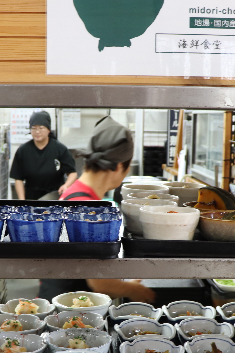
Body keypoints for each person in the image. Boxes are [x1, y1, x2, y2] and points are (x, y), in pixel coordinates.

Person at [38, 116, 156, 304]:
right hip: (68, 313)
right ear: (119, 167)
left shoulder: (75, 192)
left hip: (63, 302)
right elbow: (100, 284)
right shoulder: (88, 209)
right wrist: (137, 290)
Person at [9, 111, 77, 200]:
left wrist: (66, 186)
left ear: (48, 129)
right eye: (34, 128)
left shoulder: (60, 149)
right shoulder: (23, 150)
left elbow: (72, 173)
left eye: (41, 128)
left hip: (55, 197)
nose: (37, 132)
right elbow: (18, 178)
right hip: (31, 199)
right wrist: (22, 201)